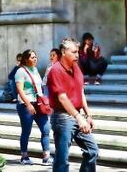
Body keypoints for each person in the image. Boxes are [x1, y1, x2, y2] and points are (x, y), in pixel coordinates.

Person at [47, 37, 98, 172]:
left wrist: (88, 114)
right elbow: (62, 98)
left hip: (77, 115)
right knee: (62, 158)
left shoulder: (76, 67)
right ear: (63, 52)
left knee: (92, 151)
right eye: (74, 52)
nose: (77, 55)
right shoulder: (55, 70)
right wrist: (78, 117)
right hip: (62, 117)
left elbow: (80, 91)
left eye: (78, 52)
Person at [15, 48, 51, 166]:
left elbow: (40, 87)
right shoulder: (20, 71)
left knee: (46, 129)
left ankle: (46, 156)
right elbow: (20, 90)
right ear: (26, 59)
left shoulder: (35, 70)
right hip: (26, 105)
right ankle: (24, 156)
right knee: (26, 131)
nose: (35, 59)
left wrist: (45, 101)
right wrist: (29, 104)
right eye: (32, 57)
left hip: (39, 104)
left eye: (36, 57)